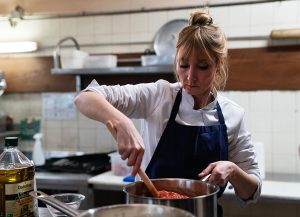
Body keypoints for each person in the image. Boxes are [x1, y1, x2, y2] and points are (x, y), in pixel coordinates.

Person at [75, 9, 261, 216]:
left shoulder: (232, 114)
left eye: (202, 67)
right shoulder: (159, 95)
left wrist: (233, 170)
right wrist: (121, 121)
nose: (190, 77)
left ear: (218, 65)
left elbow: (252, 191)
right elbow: (85, 97)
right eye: (183, 65)